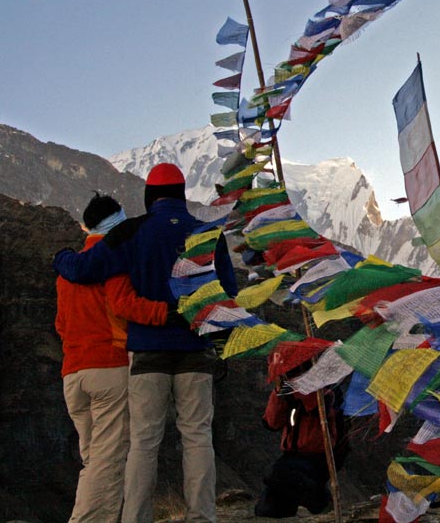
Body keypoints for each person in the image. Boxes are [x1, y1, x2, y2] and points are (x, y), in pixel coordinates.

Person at [54, 163, 238, 523]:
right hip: (196, 349)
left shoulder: (132, 231)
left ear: (149, 196)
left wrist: (60, 257)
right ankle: (202, 516)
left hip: (147, 350)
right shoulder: (207, 233)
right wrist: (217, 339)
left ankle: (135, 517)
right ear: (182, 194)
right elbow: (228, 293)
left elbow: (84, 269)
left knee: (143, 442)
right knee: (198, 436)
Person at [56, 193, 169, 523]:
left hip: (73, 374)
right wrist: (170, 313)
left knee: (94, 460)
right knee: (107, 462)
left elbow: (61, 325)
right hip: (109, 369)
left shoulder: (67, 274)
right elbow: (125, 306)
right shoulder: (112, 262)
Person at [254, 378, 345, 518]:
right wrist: (279, 393)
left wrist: (300, 390)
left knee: (274, 473)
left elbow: (320, 409)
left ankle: (321, 500)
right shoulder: (289, 390)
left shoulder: (329, 389)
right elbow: (272, 423)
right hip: (292, 456)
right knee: (267, 509)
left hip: (320, 456)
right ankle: (296, 500)